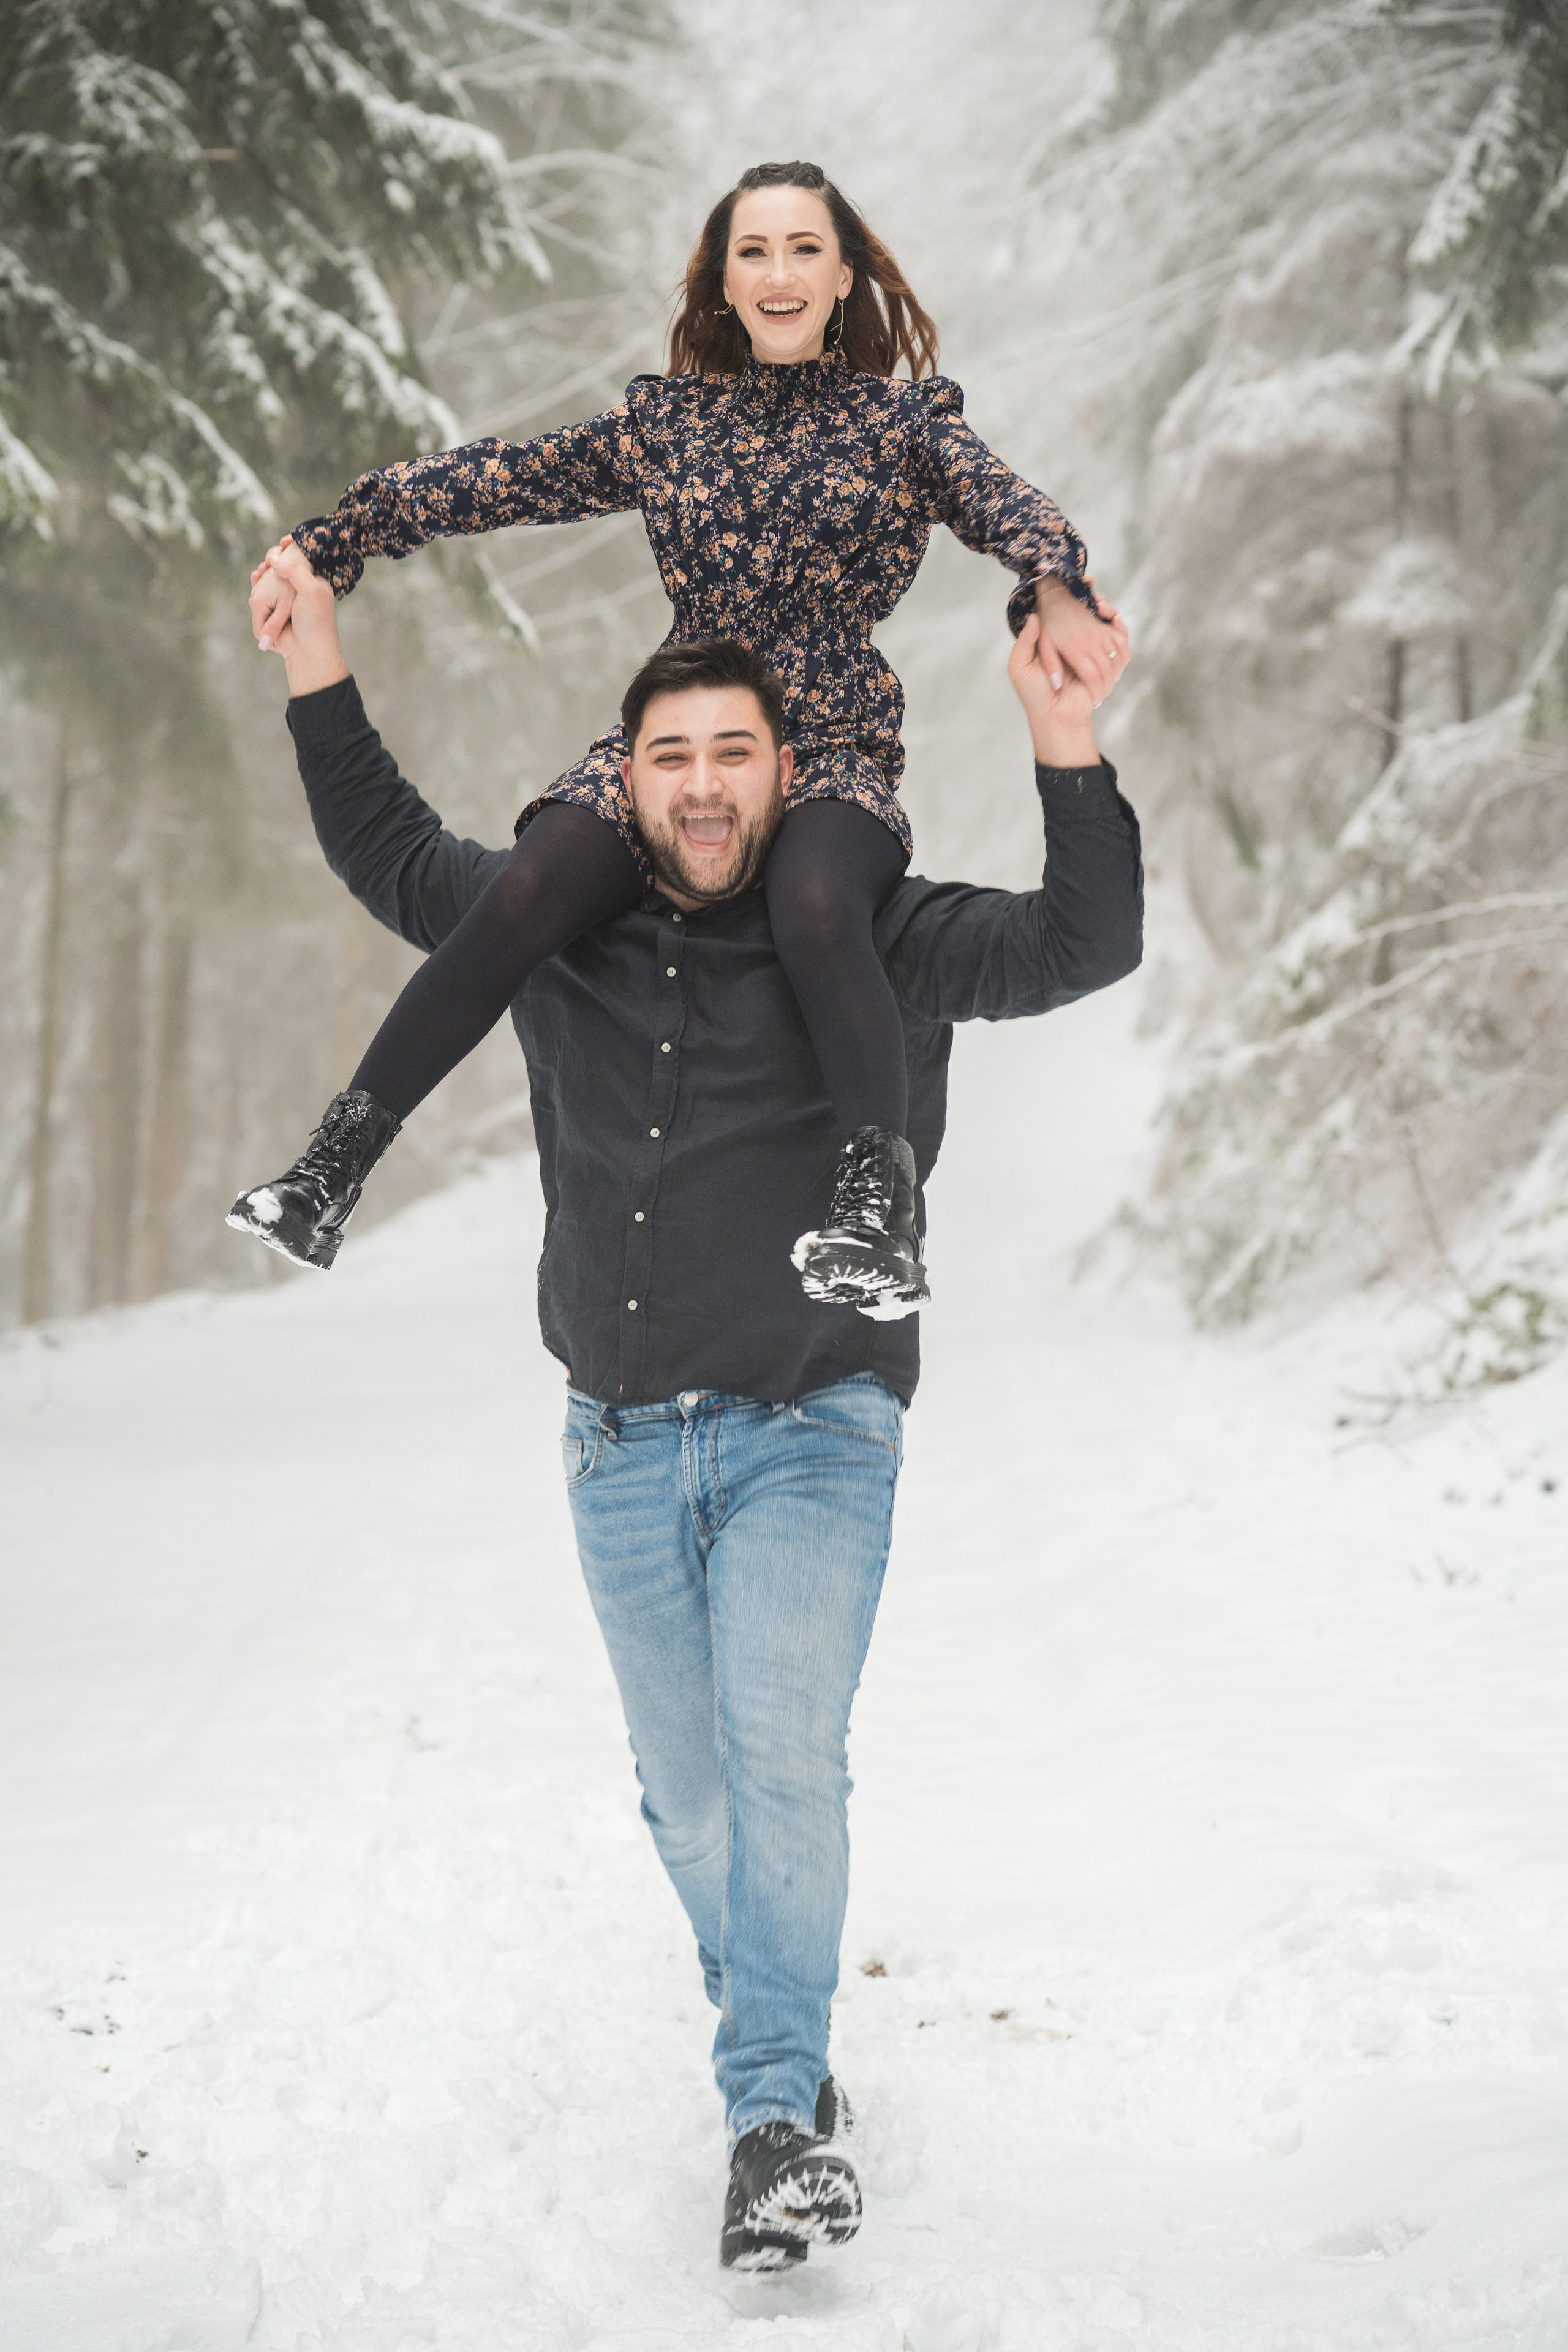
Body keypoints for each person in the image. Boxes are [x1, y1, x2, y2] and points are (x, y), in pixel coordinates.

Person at [245, 538, 1142, 2270]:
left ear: (786, 772)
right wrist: (314, 664)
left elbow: (1077, 947)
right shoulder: (561, 931)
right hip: (618, 1438)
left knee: (783, 1761)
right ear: (625, 780)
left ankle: (772, 2122)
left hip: (819, 1422)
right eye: (673, 756)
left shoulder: (870, 934)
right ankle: (786, 2046)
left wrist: (1067, 748)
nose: (708, 783)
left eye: (737, 752)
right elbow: (392, 853)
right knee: (693, 1798)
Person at [228, 158, 1131, 1314]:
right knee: (528, 887)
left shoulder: (905, 425)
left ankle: (874, 1202)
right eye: (753, 251)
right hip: (680, 731)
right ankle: (333, 1166)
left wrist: (1053, 586)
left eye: (805, 248)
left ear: (844, 274)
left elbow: (1014, 509)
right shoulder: (670, 425)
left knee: (817, 905)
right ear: (724, 281)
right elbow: (496, 479)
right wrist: (336, 541)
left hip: (825, 747)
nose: (780, 271)